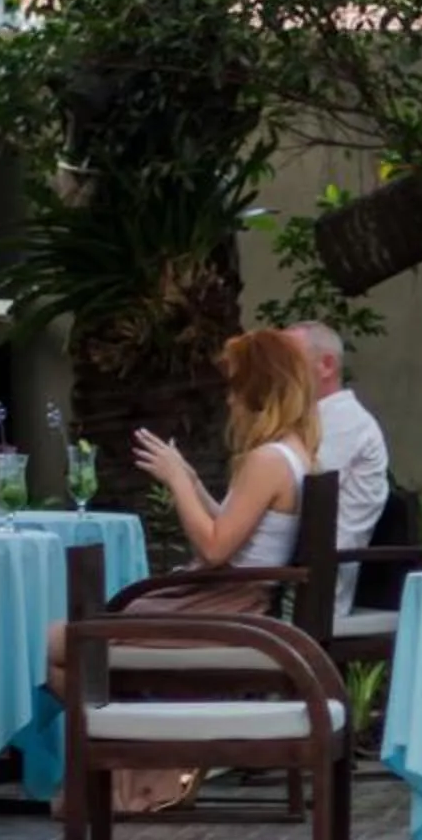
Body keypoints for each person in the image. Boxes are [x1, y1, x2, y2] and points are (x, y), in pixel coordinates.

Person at [48, 330, 320, 812]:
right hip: (242, 600)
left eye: (235, 387)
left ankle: (149, 768)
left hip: (225, 607)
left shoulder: (265, 461)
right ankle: (147, 766)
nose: (229, 400)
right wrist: (193, 481)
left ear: (258, 389)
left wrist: (176, 482)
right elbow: (244, 534)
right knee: (75, 644)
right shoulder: (295, 454)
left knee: (56, 648)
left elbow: (215, 548)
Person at [289, 321, 389, 612]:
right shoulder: (309, 422)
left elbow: (286, 496)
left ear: (327, 365)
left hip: (310, 591)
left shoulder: (345, 423)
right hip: (283, 576)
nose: (275, 371)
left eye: (288, 360)